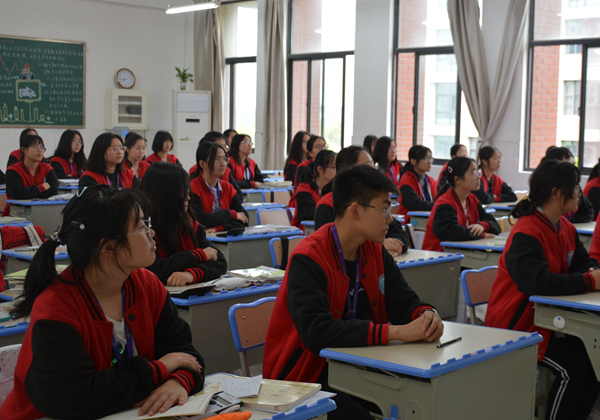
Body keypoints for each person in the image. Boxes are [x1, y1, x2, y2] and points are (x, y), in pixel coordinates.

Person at [0, 185, 205, 420]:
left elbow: (186, 355)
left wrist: (179, 382)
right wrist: (158, 370)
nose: (151, 232)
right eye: (141, 227)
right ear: (108, 247)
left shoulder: (147, 285)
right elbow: (76, 398)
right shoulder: (56, 307)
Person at [263, 165, 443, 420]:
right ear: (355, 211)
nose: (390, 219)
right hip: (307, 377)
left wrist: (425, 314)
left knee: (424, 398)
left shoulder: (374, 250)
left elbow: (402, 299)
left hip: (359, 365)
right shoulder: (309, 258)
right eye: (384, 209)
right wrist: (397, 332)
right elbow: (318, 332)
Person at [485, 159, 600, 420]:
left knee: (595, 362)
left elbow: (583, 263)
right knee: (573, 369)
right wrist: (591, 281)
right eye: (575, 187)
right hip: (516, 327)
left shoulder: (565, 227)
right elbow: (538, 283)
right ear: (556, 193)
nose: (579, 193)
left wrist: (592, 271)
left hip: (548, 322)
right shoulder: (527, 231)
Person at [139, 162, 227, 286]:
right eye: (181, 192)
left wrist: (192, 274)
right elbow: (153, 270)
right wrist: (198, 256)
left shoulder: (191, 226)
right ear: (164, 194)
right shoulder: (142, 231)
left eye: (186, 190)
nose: (188, 197)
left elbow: (220, 262)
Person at [315, 145, 410, 256]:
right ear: (348, 169)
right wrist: (380, 247)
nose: (373, 170)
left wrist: (396, 245)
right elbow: (331, 246)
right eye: (368, 165)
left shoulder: (373, 199)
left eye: (373, 165)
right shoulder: (327, 205)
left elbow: (398, 231)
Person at [422, 157, 500, 252]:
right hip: (441, 256)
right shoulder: (445, 203)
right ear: (457, 179)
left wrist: (482, 225)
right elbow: (453, 232)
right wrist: (481, 235)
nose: (478, 177)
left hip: (463, 252)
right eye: (473, 173)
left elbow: (495, 226)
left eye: (478, 172)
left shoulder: (472, 199)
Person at [191, 142, 248, 233]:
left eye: (225, 159)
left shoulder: (228, 187)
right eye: (217, 160)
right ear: (202, 164)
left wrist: (219, 228)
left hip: (222, 237)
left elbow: (244, 220)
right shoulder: (193, 188)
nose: (223, 164)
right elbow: (201, 221)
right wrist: (230, 214)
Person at [5, 134, 58, 215]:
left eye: (42, 147)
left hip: (43, 211)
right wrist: (42, 187)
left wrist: (29, 193)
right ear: (24, 149)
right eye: (36, 146)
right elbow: (17, 193)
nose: (40, 150)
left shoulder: (47, 168)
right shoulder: (13, 170)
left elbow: (54, 191)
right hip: (17, 213)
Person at [289, 150, 336, 231]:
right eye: (334, 167)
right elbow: (306, 213)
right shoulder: (304, 188)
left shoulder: (333, 189)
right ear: (320, 169)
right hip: (303, 232)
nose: (338, 171)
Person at [543, 147, 593, 223]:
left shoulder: (574, 186)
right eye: (569, 157)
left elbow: (588, 212)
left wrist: (568, 221)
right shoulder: (546, 187)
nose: (573, 161)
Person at [189, 132, 243, 200]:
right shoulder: (195, 171)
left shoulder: (226, 171)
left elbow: (239, 196)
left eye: (225, 147)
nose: (222, 150)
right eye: (219, 146)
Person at [397, 145, 437, 217]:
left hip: (429, 217)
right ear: (413, 161)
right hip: (410, 219)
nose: (429, 162)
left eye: (430, 158)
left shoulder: (431, 181)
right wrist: (438, 206)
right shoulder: (406, 180)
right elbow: (415, 204)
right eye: (425, 158)